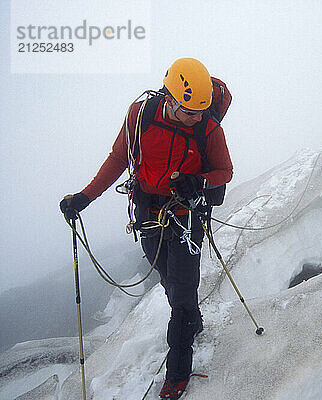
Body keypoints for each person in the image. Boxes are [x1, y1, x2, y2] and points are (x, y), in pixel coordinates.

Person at [60, 57, 233, 399]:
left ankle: (178, 372)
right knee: (168, 280)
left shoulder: (208, 129)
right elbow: (118, 158)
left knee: (181, 294)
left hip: (186, 218)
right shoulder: (139, 116)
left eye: (201, 111)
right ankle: (192, 319)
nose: (196, 117)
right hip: (148, 215)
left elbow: (224, 171)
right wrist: (85, 197)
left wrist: (198, 181)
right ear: (169, 97)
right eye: (189, 111)